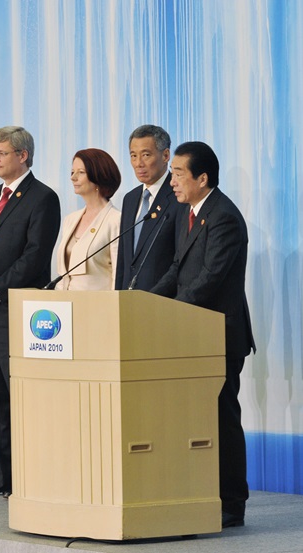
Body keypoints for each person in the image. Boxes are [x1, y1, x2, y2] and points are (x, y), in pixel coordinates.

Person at [150, 141, 254, 528]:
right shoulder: (188, 212)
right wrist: (140, 300)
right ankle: (199, 494)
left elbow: (209, 279)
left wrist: (169, 310)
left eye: (178, 174)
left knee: (222, 418)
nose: (172, 181)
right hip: (191, 336)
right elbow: (178, 271)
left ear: (202, 178)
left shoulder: (224, 216)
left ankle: (232, 502)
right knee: (193, 420)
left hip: (218, 336)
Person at [0, 126, 60, 497]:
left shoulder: (43, 198)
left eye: (1, 152)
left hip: (16, 312)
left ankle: (28, 475)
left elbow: (35, 258)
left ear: (22, 155)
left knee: (20, 398)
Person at [115, 125, 182, 291]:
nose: (138, 163)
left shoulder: (180, 196)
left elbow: (180, 261)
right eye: (133, 156)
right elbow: (124, 260)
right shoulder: (130, 199)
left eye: (146, 155)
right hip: (129, 302)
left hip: (163, 302)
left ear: (166, 155)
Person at [55, 149, 121, 290]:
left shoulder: (116, 220)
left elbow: (118, 275)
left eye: (81, 172)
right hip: (65, 306)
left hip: (98, 307)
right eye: (72, 172)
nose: (73, 177)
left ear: (99, 175)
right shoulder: (70, 220)